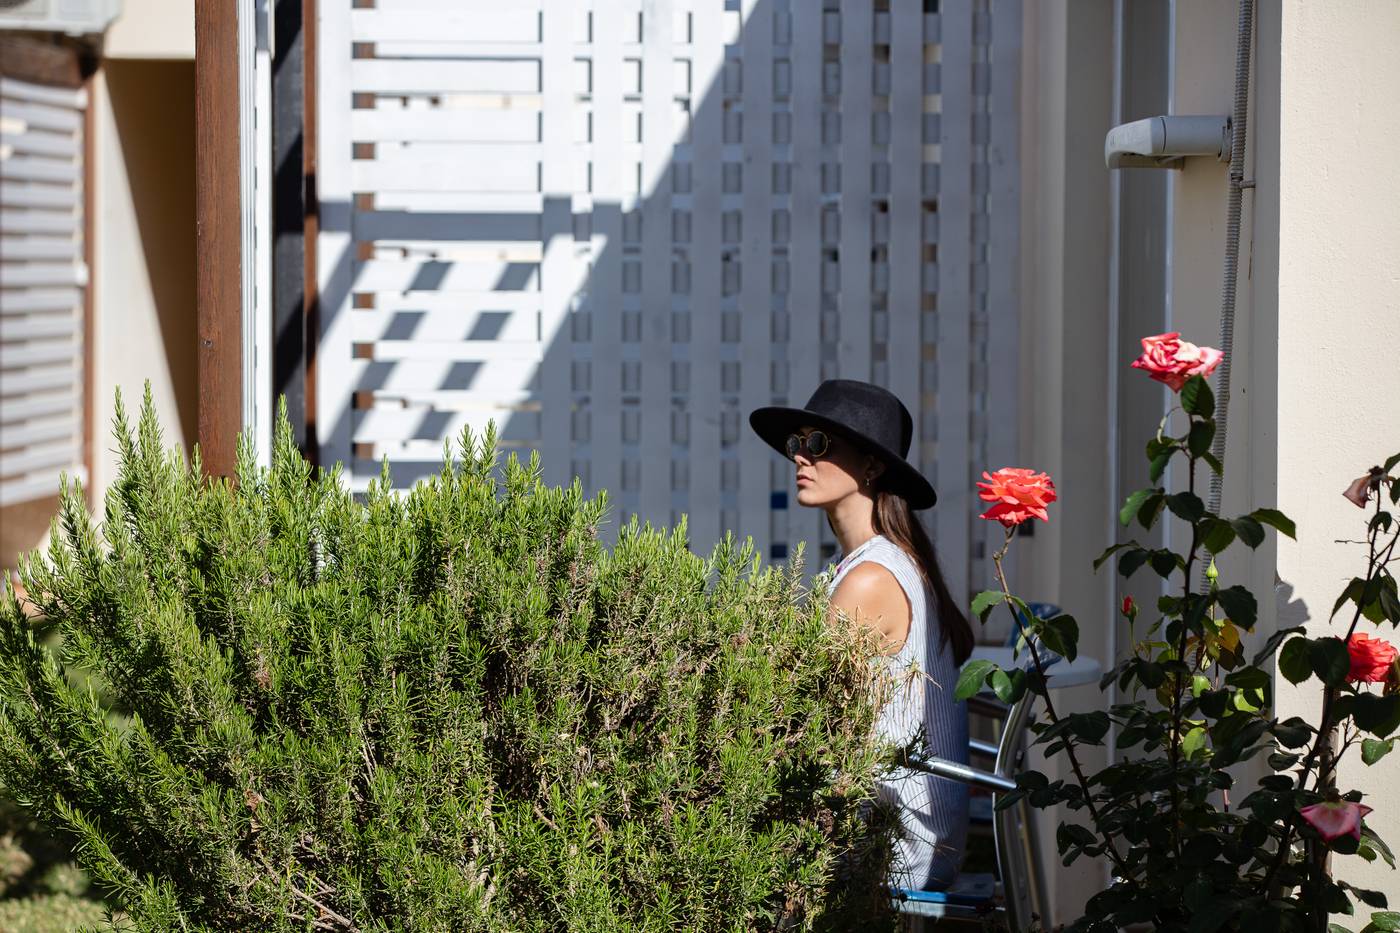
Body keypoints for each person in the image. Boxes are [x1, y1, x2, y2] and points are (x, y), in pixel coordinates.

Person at [749, 379, 973, 891]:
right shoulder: (880, 561)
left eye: (819, 444)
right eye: (796, 444)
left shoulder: (872, 578)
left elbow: (795, 709)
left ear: (872, 466)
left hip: (893, 840)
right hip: (892, 819)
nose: (801, 457)